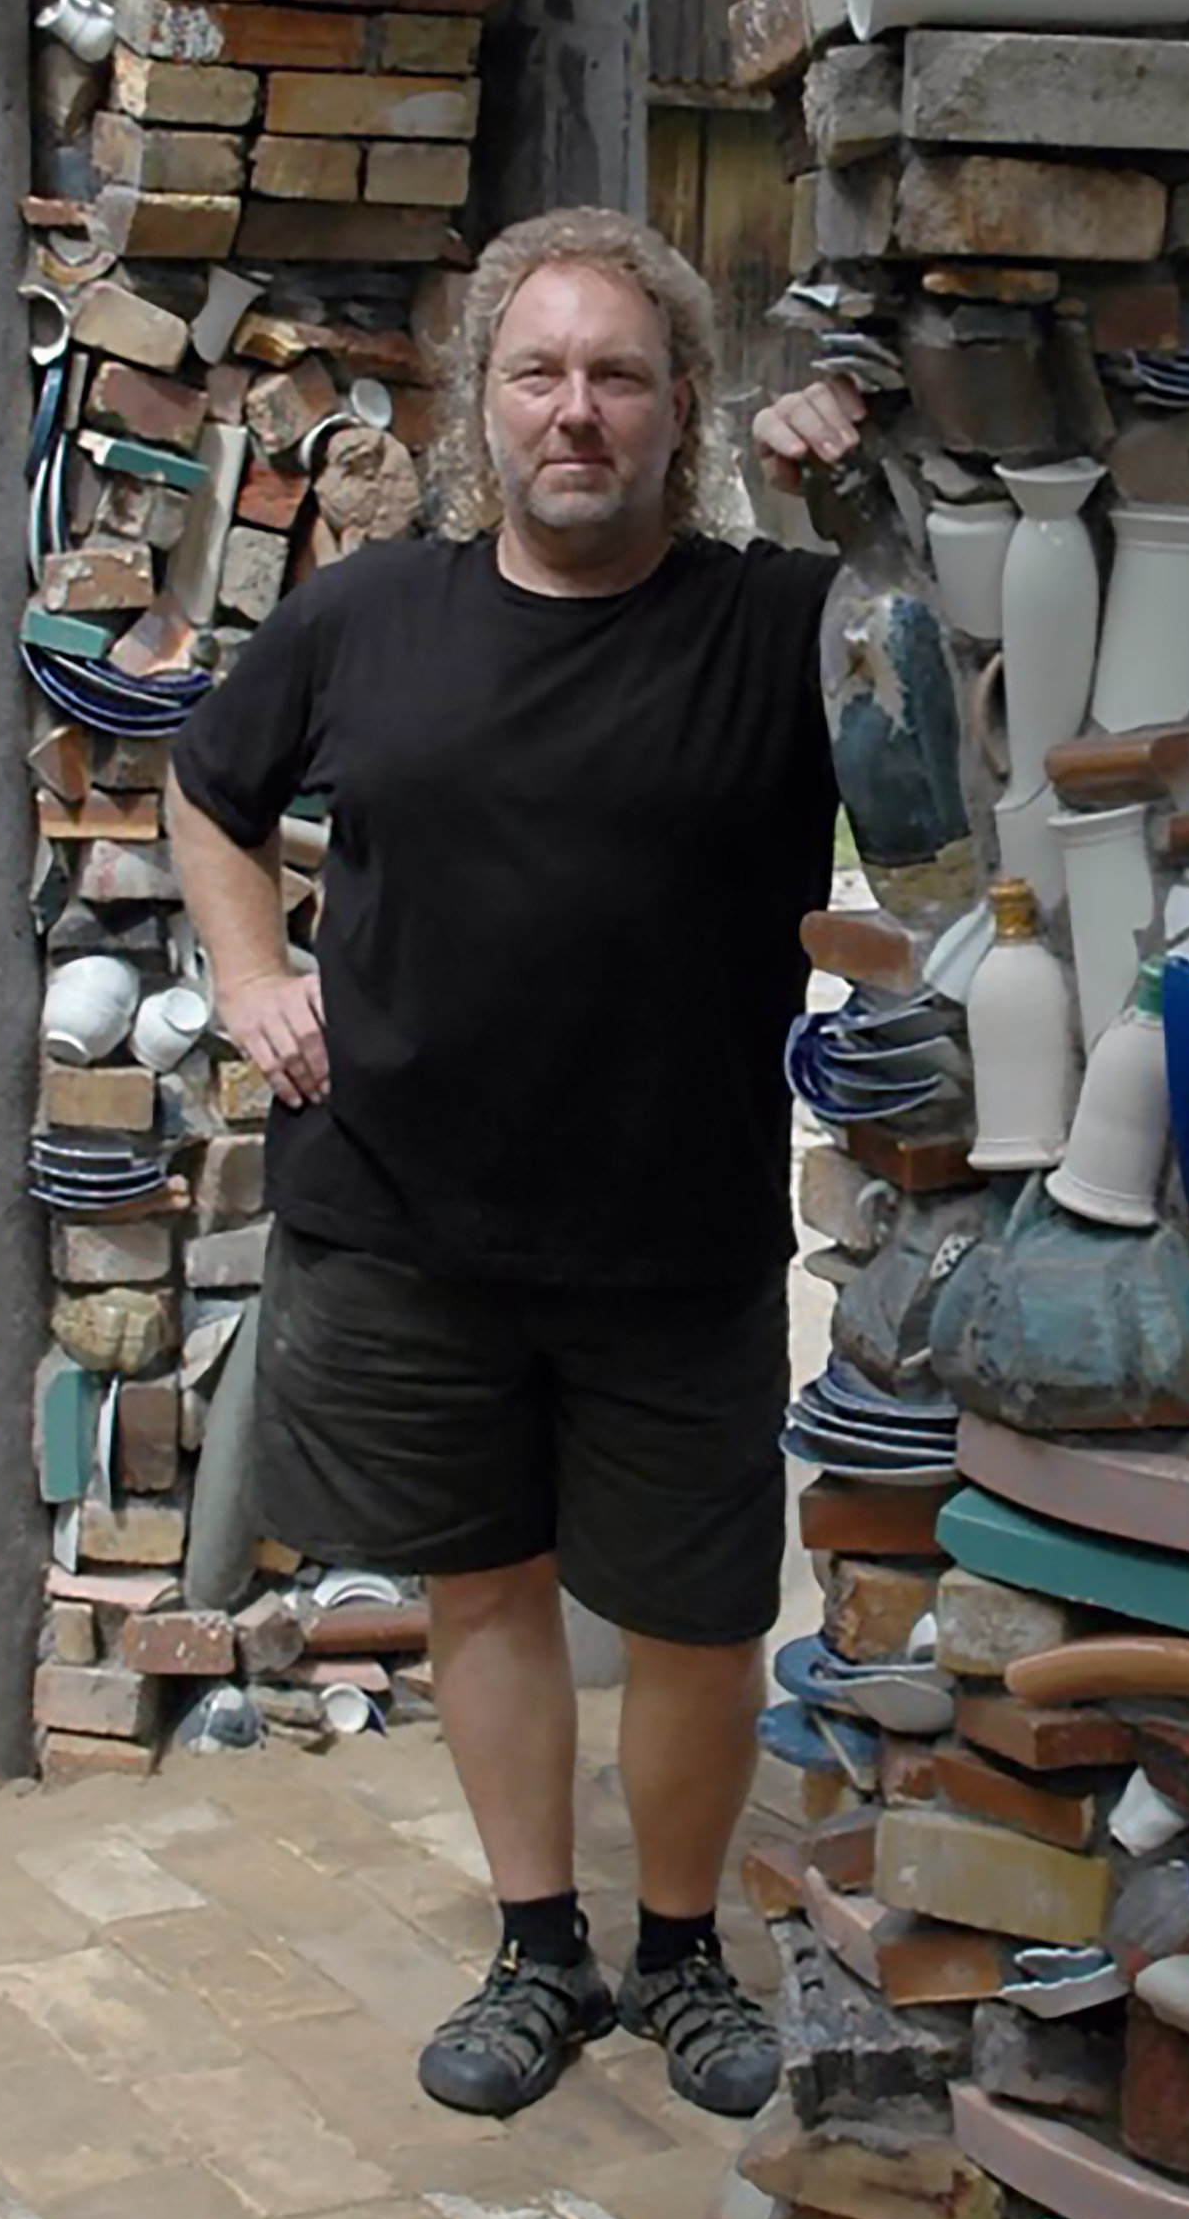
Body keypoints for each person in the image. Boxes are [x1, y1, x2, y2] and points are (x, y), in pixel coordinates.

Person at [166, 208, 866, 2120]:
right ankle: (538, 1949)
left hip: (675, 1228)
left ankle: (682, 1956)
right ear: (483, 405)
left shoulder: (779, 627)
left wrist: (870, 505)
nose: (578, 413)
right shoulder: (365, 616)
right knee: (484, 1589)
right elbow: (209, 790)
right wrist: (247, 971)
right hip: (403, 1219)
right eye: (538, 373)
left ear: (682, 410)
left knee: (704, 1622)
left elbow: (966, 723)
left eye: (619, 375)